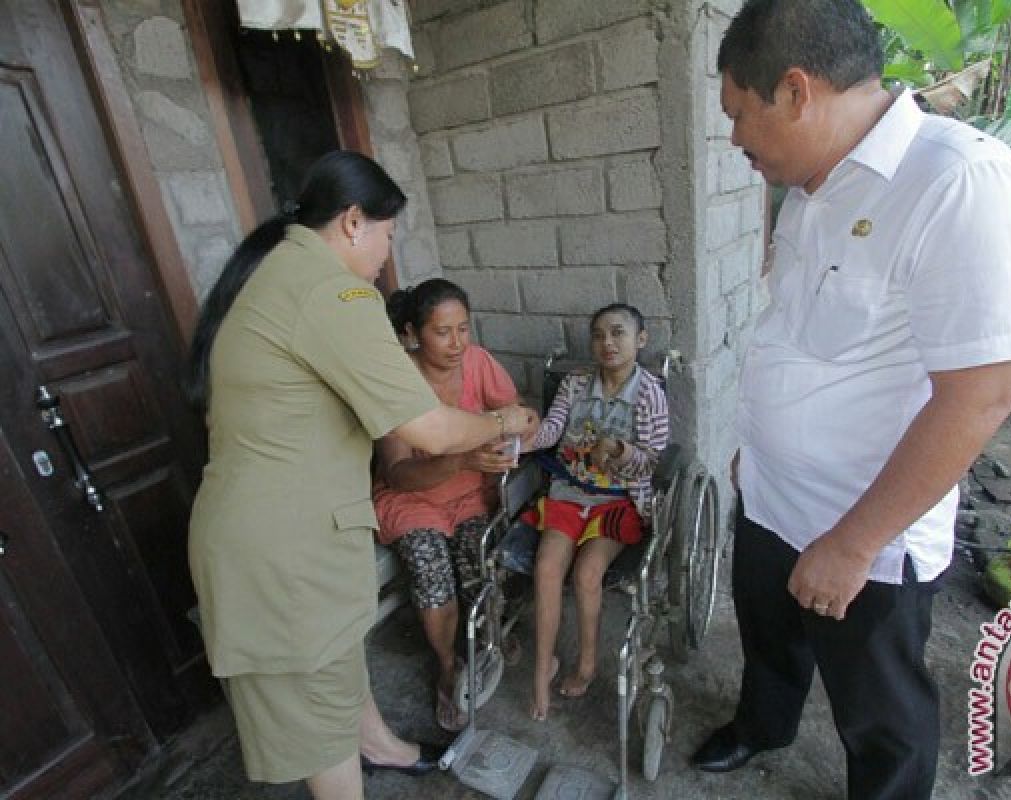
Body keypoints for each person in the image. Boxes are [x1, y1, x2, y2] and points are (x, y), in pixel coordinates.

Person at [691, 1, 1011, 797]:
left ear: (795, 90)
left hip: (868, 530)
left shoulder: (959, 182)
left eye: (738, 114)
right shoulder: (808, 188)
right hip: (773, 496)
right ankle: (762, 726)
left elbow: (982, 396)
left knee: (877, 703)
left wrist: (852, 545)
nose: (735, 138)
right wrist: (758, 447)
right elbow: (797, 332)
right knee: (770, 644)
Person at [186, 151, 536, 800]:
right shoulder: (334, 293)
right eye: (387, 234)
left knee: (336, 655)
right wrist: (501, 422)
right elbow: (429, 429)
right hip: (281, 547)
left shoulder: (280, 275)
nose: (386, 254)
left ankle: (380, 745)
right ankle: (357, 763)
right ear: (353, 222)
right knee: (320, 728)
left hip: (289, 529)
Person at [372, 278, 522, 732]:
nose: (457, 343)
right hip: (412, 498)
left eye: (463, 329)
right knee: (430, 571)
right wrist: (460, 459)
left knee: (482, 559)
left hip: (472, 492)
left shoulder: (477, 362)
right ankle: (446, 668)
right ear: (415, 333)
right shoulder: (394, 380)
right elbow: (397, 471)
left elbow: (512, 410)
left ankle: (490, 637)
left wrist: (509, 439)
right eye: (442, 332)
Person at [522, 303, 669, 721]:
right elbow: (552, 430)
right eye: (599, 335)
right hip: (570, 493)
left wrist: (621, 450)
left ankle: (587, 664)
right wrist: (520, 440)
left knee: (588, 574)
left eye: (618, 333)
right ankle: (541, 671)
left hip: (617, 502)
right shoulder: (576, 382)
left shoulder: (648, 394)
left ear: (640, 340)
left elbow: (653, 460)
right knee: (547, 567)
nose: (607, 343)